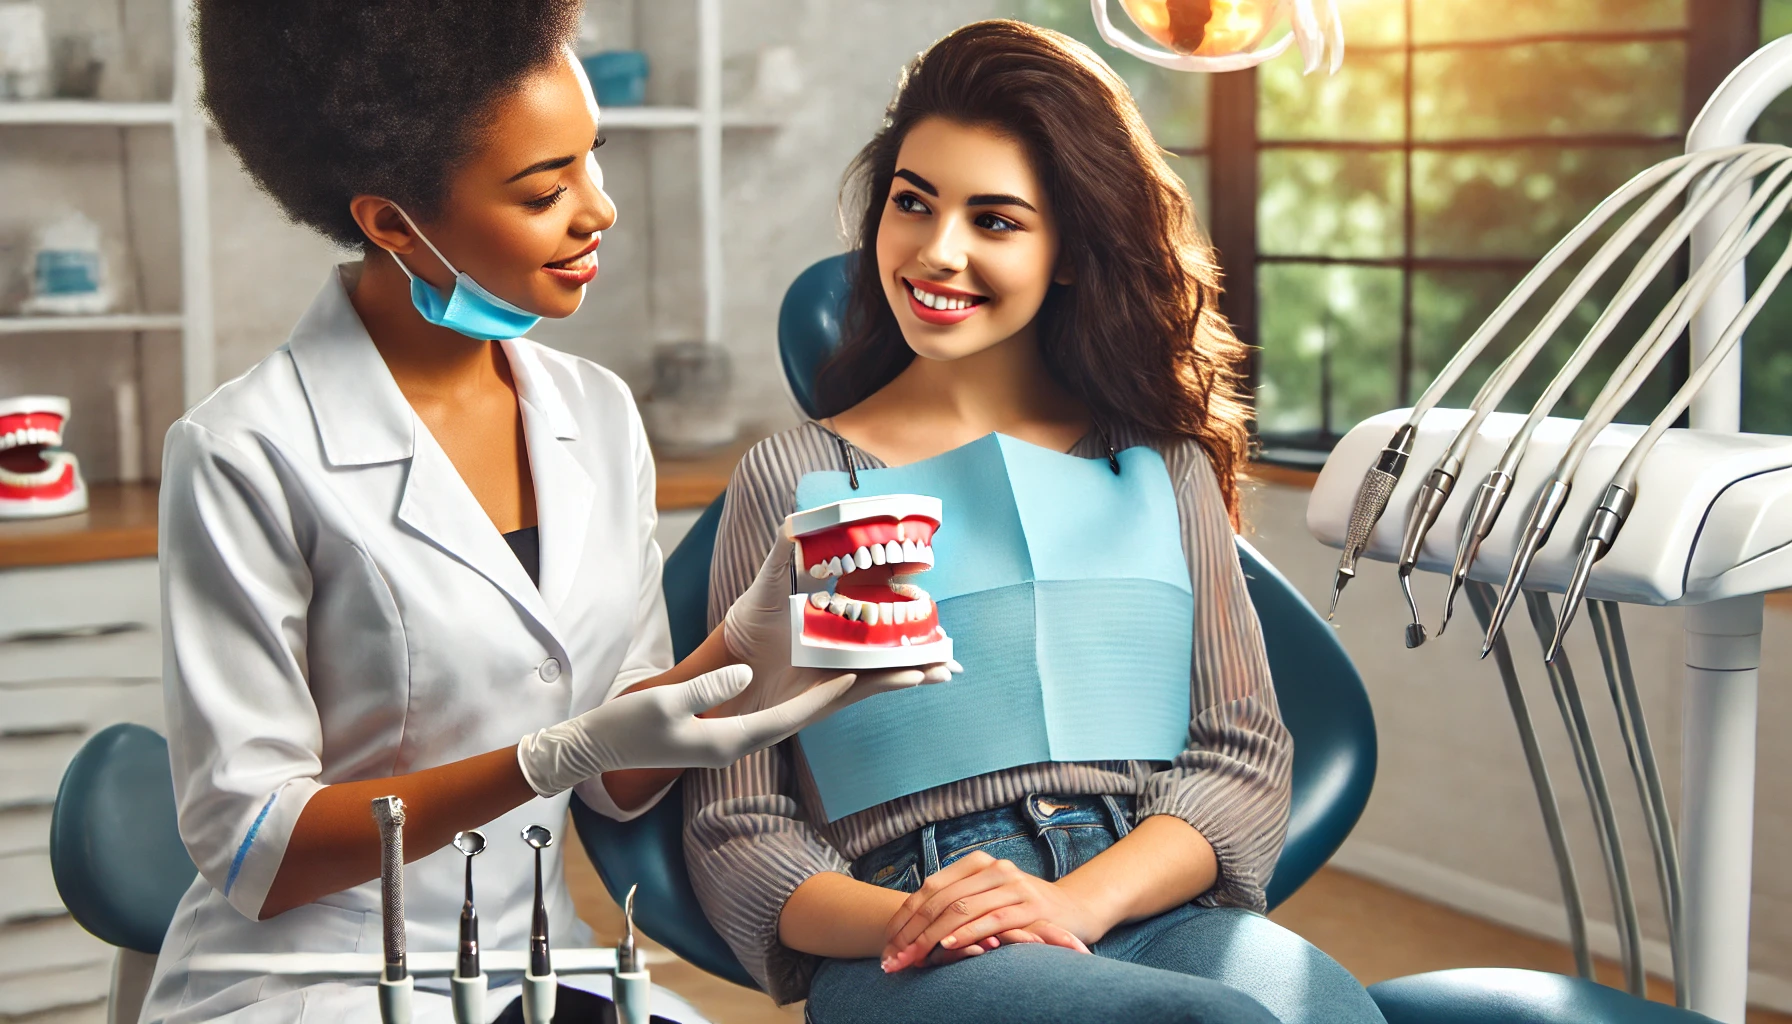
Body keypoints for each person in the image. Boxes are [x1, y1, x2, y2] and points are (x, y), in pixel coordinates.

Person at [146, 3, 949, 1021]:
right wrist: (543, 758)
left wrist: (745, 661)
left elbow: (616, 780)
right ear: (391, 222)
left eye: (592, 159)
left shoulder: (595, 415)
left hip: (540, 966)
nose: (598, 210)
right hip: (318, 980)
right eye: (543, 189)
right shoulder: (246, 451)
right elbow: (256, 849)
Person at [684, 21, 1385, 1024]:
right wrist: (909, 918)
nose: (938, 250)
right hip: (917, 931)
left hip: (1149, 897)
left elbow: (1240, 757)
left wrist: (1071, 900)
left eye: (996, 220)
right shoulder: (794, 478)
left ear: (1067, 252)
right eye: (912, 202)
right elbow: (737, 821)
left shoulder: (1160, 463)